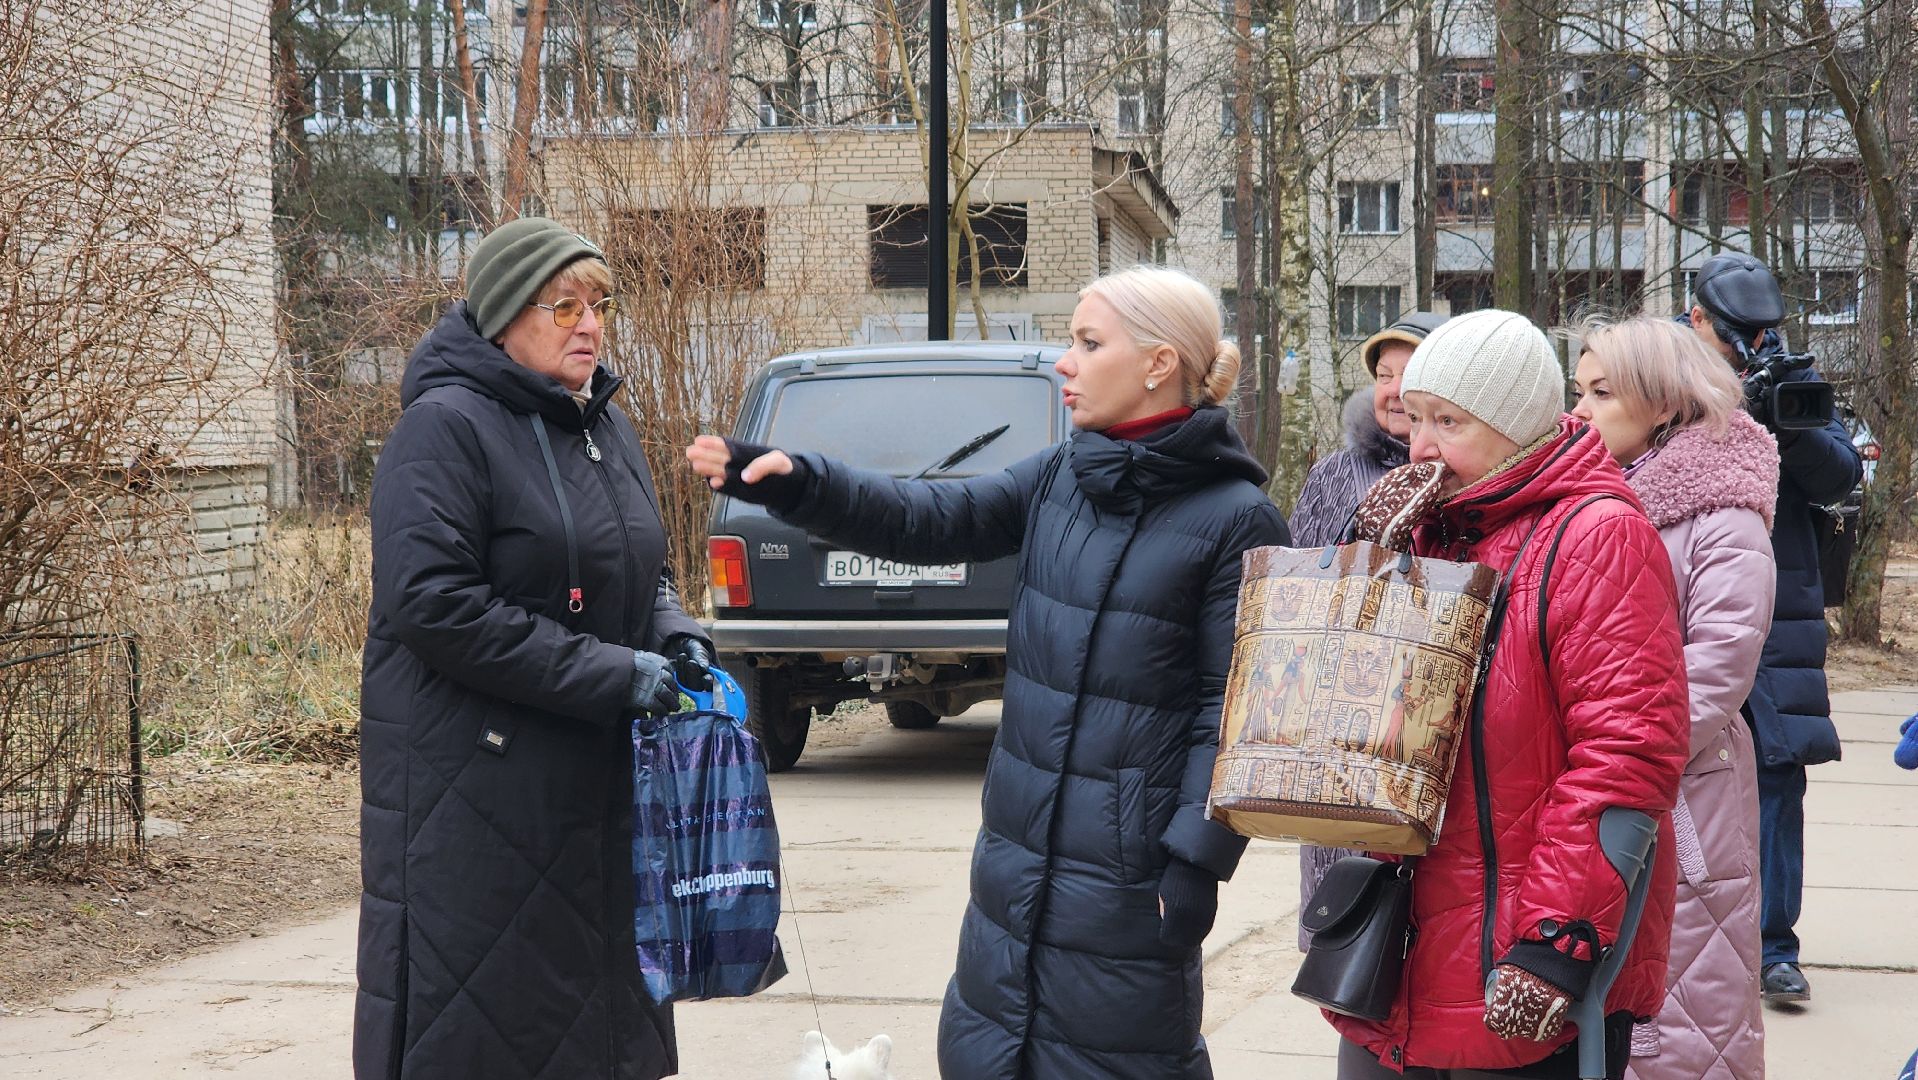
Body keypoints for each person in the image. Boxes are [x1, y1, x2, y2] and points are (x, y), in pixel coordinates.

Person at [687, 266, 1290, 1078]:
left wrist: (1196, 860)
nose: (1064, 364)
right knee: (991, 1048)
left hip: (1128, 880)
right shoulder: (1057, 479)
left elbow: (1234, 712)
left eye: (1087, 343)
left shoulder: (1237, 519)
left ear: (1157, 363)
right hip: (1015, 852)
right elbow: (929, 518)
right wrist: (803, 482)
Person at [356, 218, 712, 1080]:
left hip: (592, 786)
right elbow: (434, 605)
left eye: (599, 304)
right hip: (478, 792)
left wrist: (677, 636)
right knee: (490, 1032)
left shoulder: (603, 426)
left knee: (594, 1028)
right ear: (503, 318)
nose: (589, 324)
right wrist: (613, 674)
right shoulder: (443, 430)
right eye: (563, 306)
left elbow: (642, 568)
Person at [1328, 309, 1690, 1077]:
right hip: (1398, 950)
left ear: (1517, 424)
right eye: (1414, 419)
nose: (1421, 447)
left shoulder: (1599, 535)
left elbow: (1628, 755)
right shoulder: (1429, 528)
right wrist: (1366, 560)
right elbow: (1344, 704)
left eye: (1449, 422)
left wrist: (1558, 941)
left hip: (1522, 957)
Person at [1570, 317, 1778, 1079]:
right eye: (1577, 390)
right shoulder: (1600, 497)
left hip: (1683, 798)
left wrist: (1616, 751)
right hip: (1605, 784)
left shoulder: (1721, 513)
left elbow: (1722, 663)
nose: (1581, 410)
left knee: (1686, 1016)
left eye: (1602, 392)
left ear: (1660, 404)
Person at [1684, 252, 1864, 1005]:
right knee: (1676, 773)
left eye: (1764, 334)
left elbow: (1840, 477)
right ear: (1698, 321)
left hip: (1778, 605)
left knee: (1778, 777)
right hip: (1687, 602)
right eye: (1739, 335)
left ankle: (1773, 947)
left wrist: (1786, 418)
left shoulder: (1790, 380)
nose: (1754, 347)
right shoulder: (1659, 377)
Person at [1289, 311, 1445, 950]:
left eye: (1410, 375)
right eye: (1384, 375)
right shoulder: (1335, 474)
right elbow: (1297, 583)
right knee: (1341, 908)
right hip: (1342, 716)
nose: (1393, 389)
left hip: (1429, 710)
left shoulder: (1468, 476)